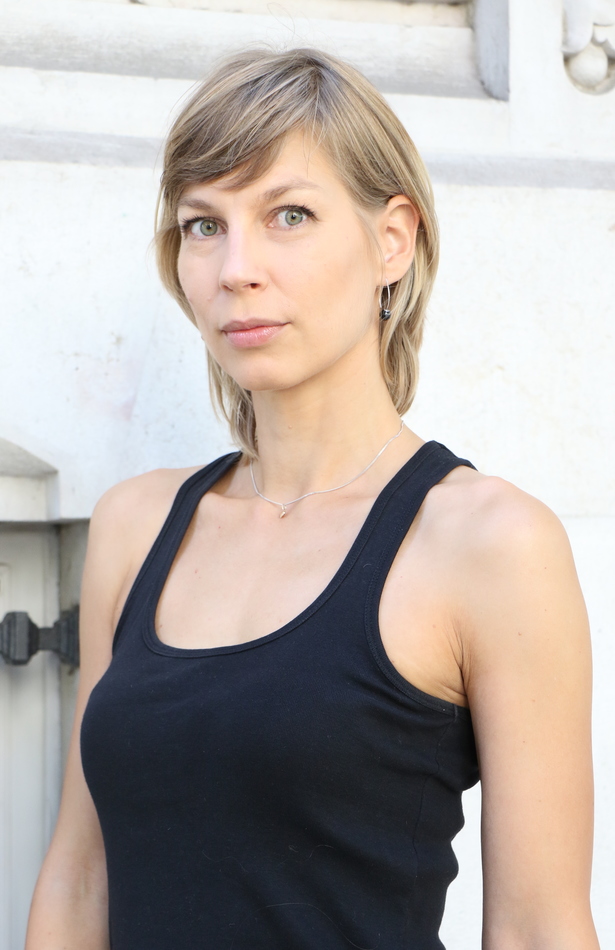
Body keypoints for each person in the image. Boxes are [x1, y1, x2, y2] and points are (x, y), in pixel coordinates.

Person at [26, 48, 598, 950]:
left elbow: (536, 928)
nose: (236, 268)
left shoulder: (489, 544)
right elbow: (79, 878)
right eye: (203, 225)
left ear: (391, 240)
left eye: (287, 215)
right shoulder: (135, 527)